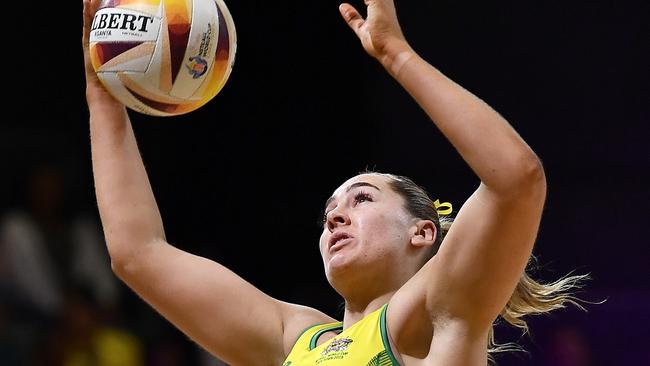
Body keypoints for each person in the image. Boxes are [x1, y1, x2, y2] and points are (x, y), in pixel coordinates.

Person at [81, 0, 589, 364]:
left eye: (362, 198)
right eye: (330, 209)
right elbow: (137, 253)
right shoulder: (293, 339)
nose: (334, 215)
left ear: (422, 232)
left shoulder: (436, 314)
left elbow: (516, 180)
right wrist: (104, 93)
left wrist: (397, 56)